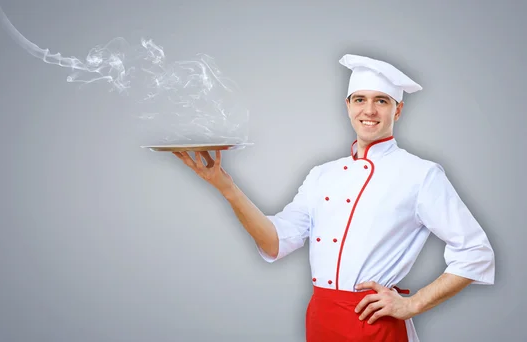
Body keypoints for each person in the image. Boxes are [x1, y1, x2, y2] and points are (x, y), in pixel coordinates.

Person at [172, 54, 495, 342]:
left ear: (398, 109)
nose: (369, 110)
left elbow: (475, 251)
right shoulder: (322, 175)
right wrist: (225, 186)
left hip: (373, 323)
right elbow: (275, 242)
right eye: (360, 99)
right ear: (347, 106)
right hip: (321, 317)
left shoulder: (420, 174)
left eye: (381, 101)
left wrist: (413, 303)